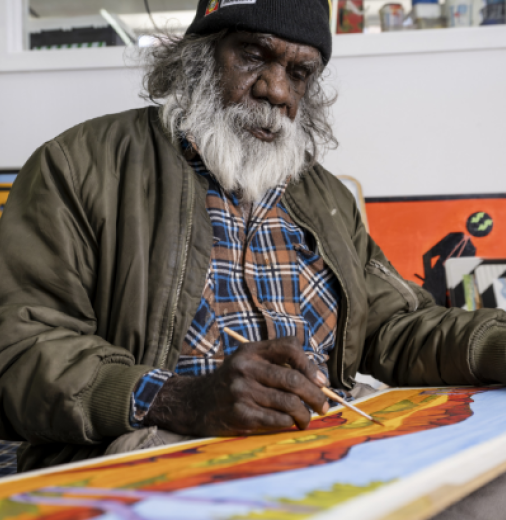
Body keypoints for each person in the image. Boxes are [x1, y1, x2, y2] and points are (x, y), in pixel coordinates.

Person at [1, 0, 505, 473]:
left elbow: (393, 328)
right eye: (253, 55)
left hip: (322, 448)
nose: (276, 90)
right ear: (198, 55)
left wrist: (494, 345)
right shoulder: (78, 166)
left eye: (299, 72)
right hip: (159, 453)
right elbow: (21, 350)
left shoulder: (324, 197)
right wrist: (185, 399)